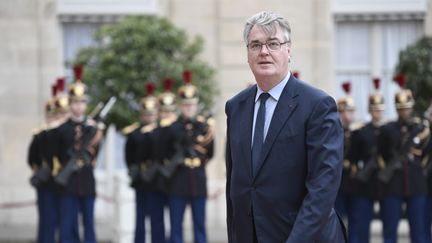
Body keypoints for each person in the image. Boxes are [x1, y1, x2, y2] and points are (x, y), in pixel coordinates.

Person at [225, 11, 346, 243]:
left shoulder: (318, 105)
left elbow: (323, 188)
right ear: (247, 54)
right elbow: (236, 185)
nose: (264, 52)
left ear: (288, 51)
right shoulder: (236, 107)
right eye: (256, 45)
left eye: (273, 44)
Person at [54, 64, 104, 243]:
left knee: (89, 225)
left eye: (82, 102)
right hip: (68, 183)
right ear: (70, 103)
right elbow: (58, 154)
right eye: (75, 102)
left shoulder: (92, 128)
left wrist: (86, 152)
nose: (79, 106)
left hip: (86, 180)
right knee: (67, 226)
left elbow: (96, 153)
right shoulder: (62, 130)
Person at [377, 73, 430, 243]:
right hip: (393, 184)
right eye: (400, 108)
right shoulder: (388, 129)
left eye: (406, 107)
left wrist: (421, 169)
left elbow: (427, 153)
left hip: (416, 184)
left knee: (419, 231)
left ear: (411, 107)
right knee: (390, 231)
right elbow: (381, 152)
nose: (404, 111)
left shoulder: (420, 128)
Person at [167, 70, 214, 243]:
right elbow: (167, 152)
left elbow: (211, 152)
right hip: (178, 180)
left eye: (192, 104)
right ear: (180, 106)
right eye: (186, 105)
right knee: (176, 225)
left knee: (199, 225)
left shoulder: (203, 126)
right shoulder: (173, 128)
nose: (189, 108)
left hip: (198, 179)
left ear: (196, 105)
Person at [123, 82, 165, 243]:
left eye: (152, 114)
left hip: (157, 180)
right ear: (142, 115)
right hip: (141, 179)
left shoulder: (162, 132)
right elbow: (130, 157)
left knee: (157, 219)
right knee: (140, 218)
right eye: (147, 114)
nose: (150, 117)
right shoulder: (135, 133)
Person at [28, 79, 69, 243]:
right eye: (53, 115)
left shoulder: (67, 133)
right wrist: (42, 170)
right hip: (47, 183)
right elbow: (32, 159)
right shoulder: (41, 135)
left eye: (59, 115)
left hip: (65, 183)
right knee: (47, 223)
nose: (55, 119)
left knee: (65, 223)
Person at [347, 78, 386, 243]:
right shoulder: (361, 131)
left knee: (388, 225)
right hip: (364, 184)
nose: (378, 113)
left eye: (380, 110)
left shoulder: (389, 129)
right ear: (370, 111)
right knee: (361, 224)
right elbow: (352, 157)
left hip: (386, 183)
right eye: (375, 110)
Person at [335, 81, 356, 223]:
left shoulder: (359, 131)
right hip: (336, 183)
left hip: (355, 182)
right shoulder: (333, 131)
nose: (346, 115)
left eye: (349, 111)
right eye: (342, 112)